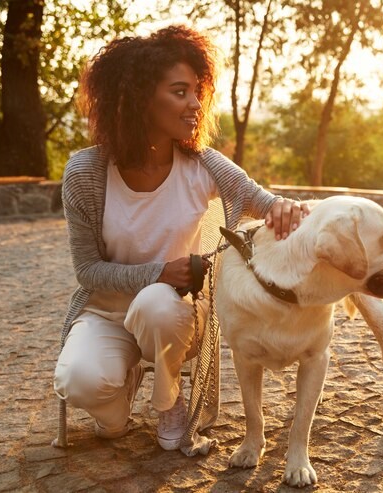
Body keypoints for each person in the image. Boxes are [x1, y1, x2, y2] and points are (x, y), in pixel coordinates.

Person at [52, 25, 309, 451]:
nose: (195, 104)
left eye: (196, 91)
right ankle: (125, 380)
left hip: (175, 315)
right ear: (139, 100)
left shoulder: (203, 165)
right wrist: (158, 271)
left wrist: (284, 207)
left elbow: (263, 200)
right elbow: (87, 270)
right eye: (179, 92)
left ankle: (169, 400)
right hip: (106, 313)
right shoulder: (86, 173)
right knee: (82, 385)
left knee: (155, 304)